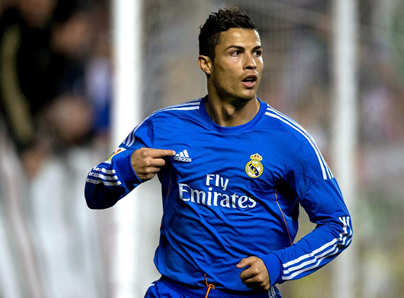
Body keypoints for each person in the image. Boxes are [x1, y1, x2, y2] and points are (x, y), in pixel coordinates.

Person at [85, 7, 352, 298]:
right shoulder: (165, 127)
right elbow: (94, 193)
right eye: (236, 53)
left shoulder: (289, 141)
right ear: (206, 63)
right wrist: (125, 169)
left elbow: (339, 225)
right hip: (174, 292)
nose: (251, 64)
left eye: (257, 52)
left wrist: (277, 265)